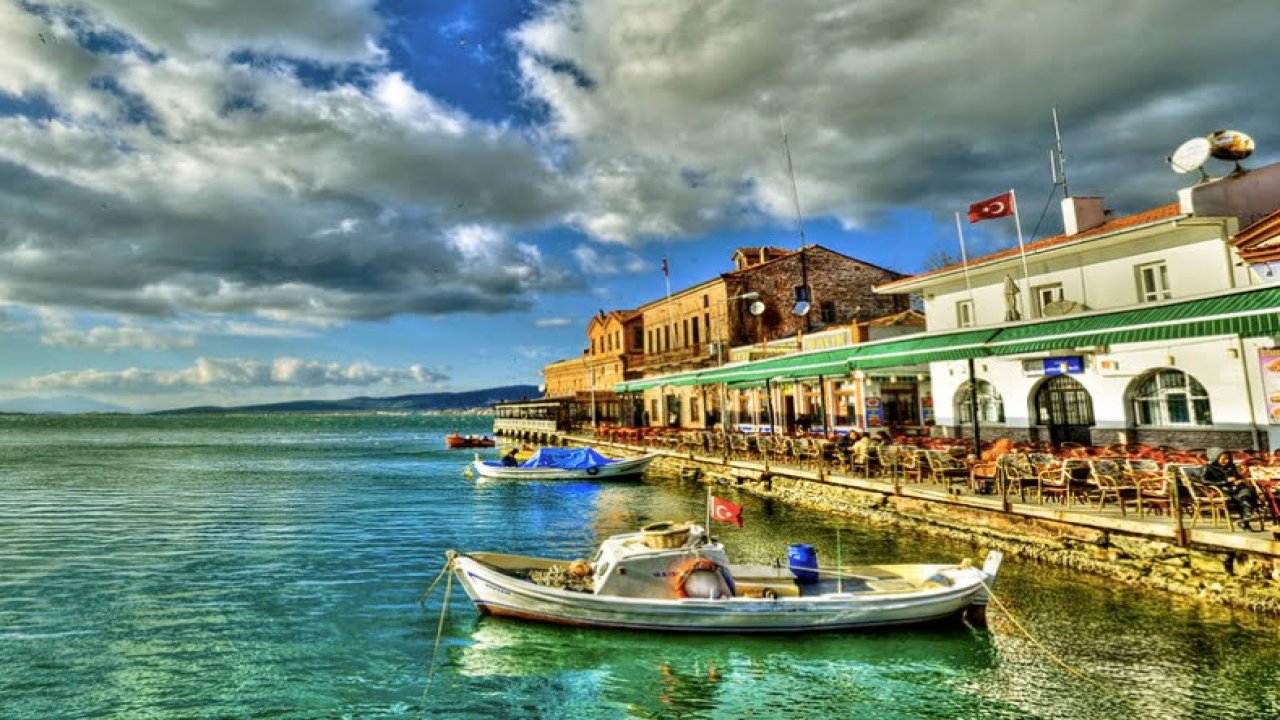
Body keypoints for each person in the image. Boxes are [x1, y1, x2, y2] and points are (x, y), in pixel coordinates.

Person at [1203, 450, 1259, 529]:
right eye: (1224, 459)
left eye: (1228, 458)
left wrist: (1240, 480)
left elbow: (1239, 477)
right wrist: (1225, 481)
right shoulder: (1208, 467)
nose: (1227, 461)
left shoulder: (1231, 466)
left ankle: (1245, 519)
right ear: (1216, 458)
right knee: (1244, 495)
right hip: (1221, 489)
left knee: (1246, 492)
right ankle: (1245, 520)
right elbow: (1204, 481)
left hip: (1235, 488)